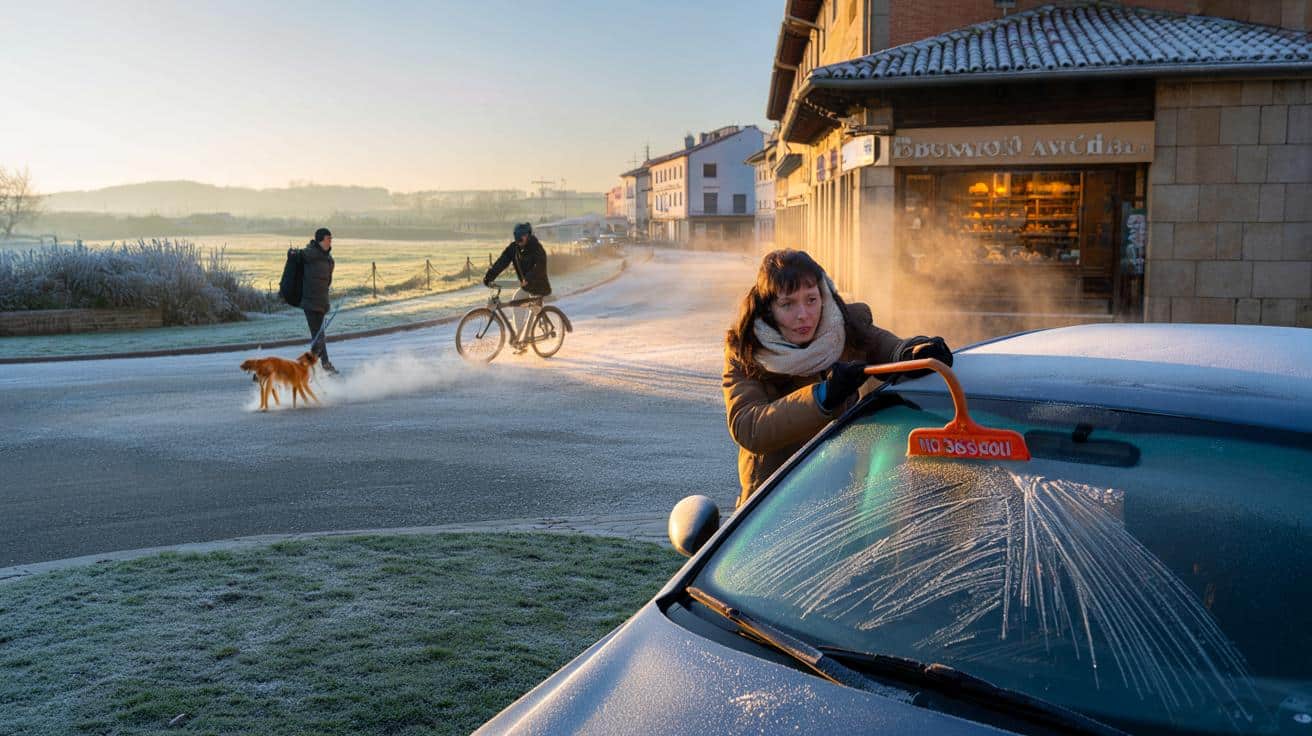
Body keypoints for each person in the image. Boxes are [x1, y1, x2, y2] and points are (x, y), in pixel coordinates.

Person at [723, 249, 952, 507]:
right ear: (768, 309)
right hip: (772, 507)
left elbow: (885, 346)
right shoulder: (746, 349)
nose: (803, 314)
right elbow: (748, 427)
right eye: (787, 304)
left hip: (842, 499)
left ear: (824, 296)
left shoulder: (844, 327)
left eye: (811, 299)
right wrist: (823, 396)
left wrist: (914, 351)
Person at [484, 222, 552, 353]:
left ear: (528, 236)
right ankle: (520, 339)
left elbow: (541, 266)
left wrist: (528, 278)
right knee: (516, 303)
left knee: (534, 309)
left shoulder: (537, 248)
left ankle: (533, 331)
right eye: (517, 236)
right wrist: (489, 276)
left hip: (538, 285)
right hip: (526, 287)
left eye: (522, 236)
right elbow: (502, 261)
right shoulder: (514, 248)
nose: (519, 239)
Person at [301, 227, 338, 375]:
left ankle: (312, 367)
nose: (331, 241)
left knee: (318, 336)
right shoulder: (309, 255)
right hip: (310, 303)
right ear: (321, 240)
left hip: (321, 303)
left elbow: (327, 283)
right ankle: (323, 364)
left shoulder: (329, 260)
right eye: (328, 238)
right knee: (318, 335)